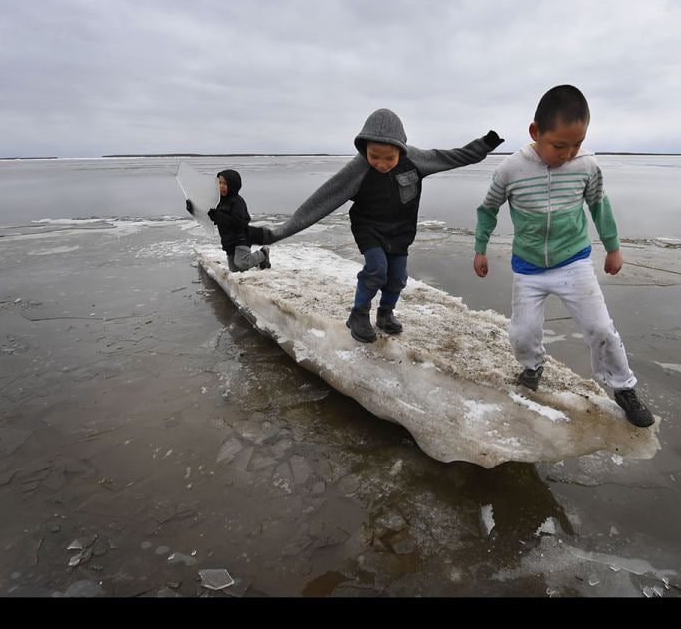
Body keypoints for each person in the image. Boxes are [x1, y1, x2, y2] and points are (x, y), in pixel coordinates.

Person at [472, 85, 654, 427]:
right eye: (559, 145)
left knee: (600, 328)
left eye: (577, 144)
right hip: (528, 268)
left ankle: (623, 388)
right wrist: (480, 248)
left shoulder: (586, 166)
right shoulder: (510, 170)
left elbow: (599, 204)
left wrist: (613, 247)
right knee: (522, 333)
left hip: (574, 262)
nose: (569, 153)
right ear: (535, 132)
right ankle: (532, 367)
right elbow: (488, 210)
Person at [249, 108, 503, 342]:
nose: (381, 163)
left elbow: (450, 157)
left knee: (397, 277)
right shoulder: (358, 168)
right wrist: (274, 233)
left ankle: (385, 313)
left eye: (389, 158)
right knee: (377, 270)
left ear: (401, 150)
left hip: (401, 233)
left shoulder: (415, 159)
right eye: (374, 156)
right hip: (369, 228)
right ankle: (358, 315)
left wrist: (484, 145)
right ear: (365, 149)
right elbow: (321, 201)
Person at [185, 169, 271, 273]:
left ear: (233, 185)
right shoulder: (218, 201)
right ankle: (257, 261)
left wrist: (219, 216)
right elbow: (208, 216)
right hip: (228, 241)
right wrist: (193, 209)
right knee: (234, 269)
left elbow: (240, 222)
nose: (221, 186)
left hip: (241, 238)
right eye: (219, 183)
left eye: (225, 184)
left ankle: (263, 253)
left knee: (241, 263)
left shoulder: (238, 201)